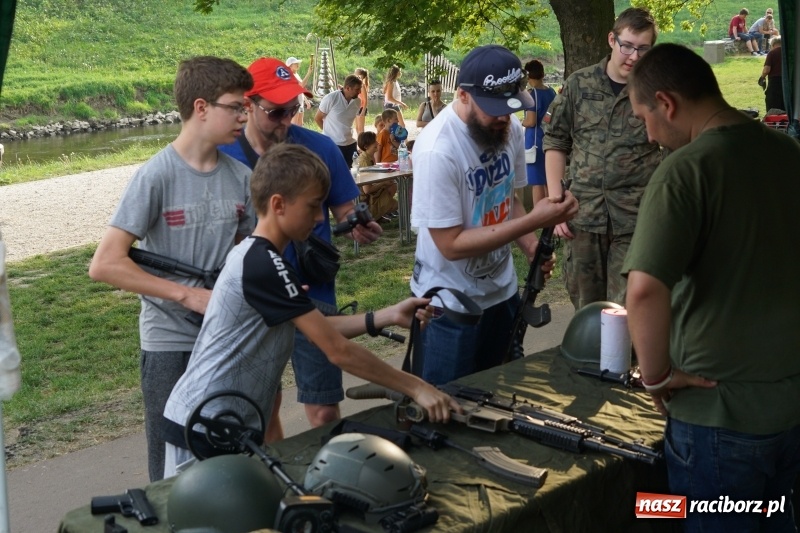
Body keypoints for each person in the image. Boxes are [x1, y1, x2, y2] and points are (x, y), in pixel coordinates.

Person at [162, 144, 459, 478]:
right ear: (278, 204)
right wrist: (417, 387)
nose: (320, 218)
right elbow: (337, 351)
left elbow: (317, 328)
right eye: (313, 206)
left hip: (226, 421)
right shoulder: (263, 265)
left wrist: (387, 315)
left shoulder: (264, 258)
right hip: (203, 426)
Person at [624, 42, 800, 531]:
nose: (649, 132)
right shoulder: (787, 151)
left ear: (667, 103)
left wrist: (655, 377)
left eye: (645, 117)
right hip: (789, 404)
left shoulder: (685, 171)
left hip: (718, 421)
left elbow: (643, 290)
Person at [88, 56, 256, 482]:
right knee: (169, 469)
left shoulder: (240, 176)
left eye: (246, 107)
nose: (244, 116)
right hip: (169, 344)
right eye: (235, 106)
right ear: (201, 108)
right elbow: (106, 264)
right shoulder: (156, 175)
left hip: (222, 338)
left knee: (224, 452)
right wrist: (185, 294)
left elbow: (249, 254)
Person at [217, 57, 383, 440]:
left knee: (324, 409)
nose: (286, 121)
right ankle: (282, 487)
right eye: (276, 112)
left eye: (293, 109)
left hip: (314, 293)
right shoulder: (224, 157)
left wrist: (357, 222)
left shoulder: (321, 147)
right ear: (248, 104)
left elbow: (345, 207)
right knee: (263, 408)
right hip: (253, 301)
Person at [409, 44, 579, 385]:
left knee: (499, 392)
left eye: (511, 108)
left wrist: (530, 246)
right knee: (444, 405)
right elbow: (450, 244)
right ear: (462, 95)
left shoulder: (508, 128)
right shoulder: (437, 150)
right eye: (494, 109)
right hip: (448, 305)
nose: (504, 117)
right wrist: (536, 220)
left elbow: (507, 198)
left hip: (502, 294)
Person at [542, 7, 662, 311]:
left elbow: (675, 150)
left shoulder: (657, 92)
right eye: (628, 46)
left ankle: (631, 360)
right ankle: (591, 360)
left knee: (629, 307)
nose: (634, 56)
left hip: (635, 220)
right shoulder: (578, 85)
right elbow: (556, 140)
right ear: (612, 40)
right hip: (583, 217)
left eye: (643, 49)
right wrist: (557, 203)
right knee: (587, 308)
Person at [521, 60, 556, 208]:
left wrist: (520, 122)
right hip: (549, 138)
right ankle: (553, 211)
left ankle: (539, 213)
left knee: (537, 181)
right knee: (549, 179)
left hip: (534, 139)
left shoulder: (532, 94)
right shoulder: (551, 92)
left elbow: (531, 121)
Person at [315, 74, 362, 164]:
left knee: (353, 173)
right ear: (348, 88)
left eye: (360, 89)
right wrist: (329, 135)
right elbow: (317, 118)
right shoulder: (331, 98)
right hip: (333, 144)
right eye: (357, 89)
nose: (359, 92)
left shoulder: (357, 101)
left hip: (350, 143)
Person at [356, 131, 398, 221]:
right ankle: (372, 215)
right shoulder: (364, 161)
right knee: (395, 202)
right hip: (365, 200)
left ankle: (378, 215)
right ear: (366, 146)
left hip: (369, 196)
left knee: (392, 185)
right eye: (374, 142)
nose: (377, 143)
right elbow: (367, 190)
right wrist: (383, 183)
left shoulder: (369, 157)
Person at [286, 55, 314, 126]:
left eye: (297, 63)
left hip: (300, 102)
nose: (298, 65)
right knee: (294, 125)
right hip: (294, 104)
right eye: (295, 64)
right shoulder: (290, 75)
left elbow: (300, 89)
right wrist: (308, 73)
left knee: (300, 125)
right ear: (290, 66)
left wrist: (306, 100)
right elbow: (301, 85)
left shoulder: (296, 74)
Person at [761, 36, 785, 112]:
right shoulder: (788, 52)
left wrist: (762, 77)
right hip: (788, 81)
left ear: (773, 44)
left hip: (775, 82)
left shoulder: (772, 53)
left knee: (773, 105)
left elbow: (766, 70)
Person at [354, 68, 370, 136]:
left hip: (361, 108)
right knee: (357, 128)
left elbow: (365, 100)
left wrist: (363, 111)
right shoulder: (357, 85)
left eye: (356, 73)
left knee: (361, 129)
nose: (354, 74)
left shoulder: (362, 85)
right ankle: (359, 143)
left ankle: (362, 145)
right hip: (357, 108)